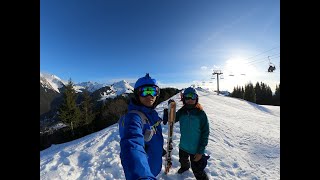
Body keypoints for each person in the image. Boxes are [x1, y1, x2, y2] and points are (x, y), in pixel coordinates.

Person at [119, 73, 164, 180]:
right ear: (137, 94)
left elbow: (153, 131)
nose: (150, 96)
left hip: (153, 165)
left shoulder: (152, 113)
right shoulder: (134, 118)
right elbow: (132, 145)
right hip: (145, 171)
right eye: (145, 91)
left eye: (153, 91)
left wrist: (158, 148)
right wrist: (141, 176)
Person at [174, 87, 210, 180]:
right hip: (183, 146)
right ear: (183, 99)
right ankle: (185, 167)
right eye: (187, 97)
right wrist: (169, 112)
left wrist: (200, 151)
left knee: (198, 171)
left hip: (196, 149)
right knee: (183, 161)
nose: (190, 100)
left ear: (196, 98)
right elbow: (172, 119)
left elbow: (205, 133)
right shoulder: (182, 112)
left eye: (192, 97)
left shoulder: (201, 114)